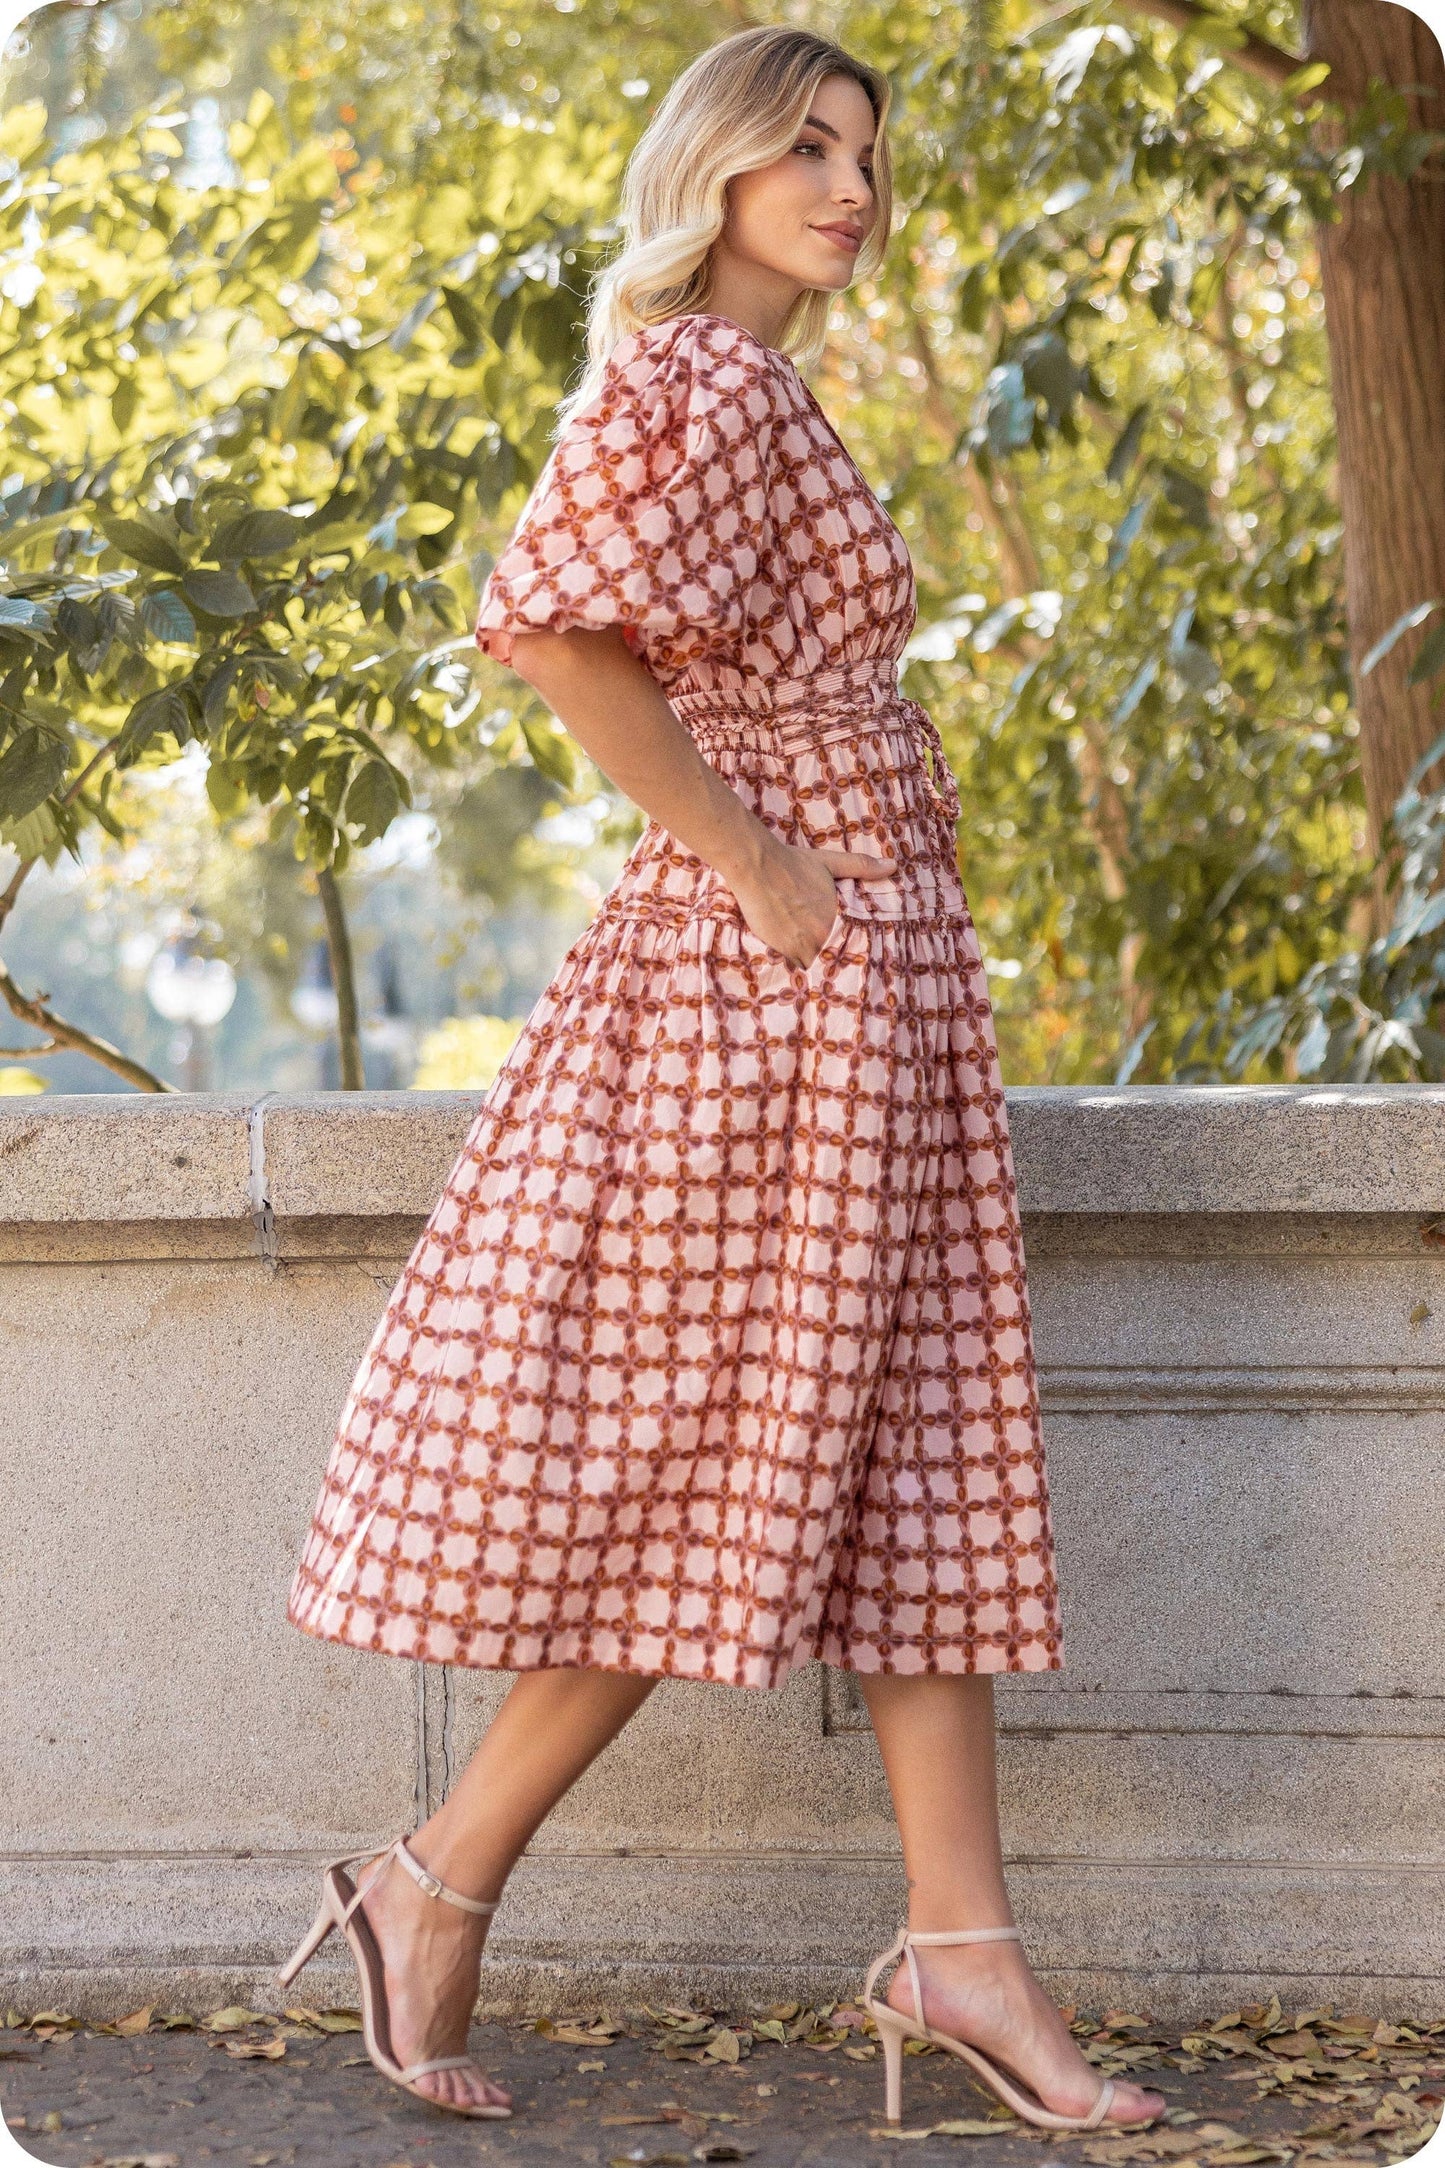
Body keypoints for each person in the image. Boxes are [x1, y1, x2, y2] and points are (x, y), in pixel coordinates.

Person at [280, 24, 1165, 2136]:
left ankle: (961, 1951)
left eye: (867, 149)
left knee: (912, 1453)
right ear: (718, 167)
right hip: (772, 985)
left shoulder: (771, 391)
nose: (850, 183)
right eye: (805, 145)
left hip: (870, 973)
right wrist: (765, 869)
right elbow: (557, 632)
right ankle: (434, 1879)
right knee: (720, 1462)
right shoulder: (696, 378)